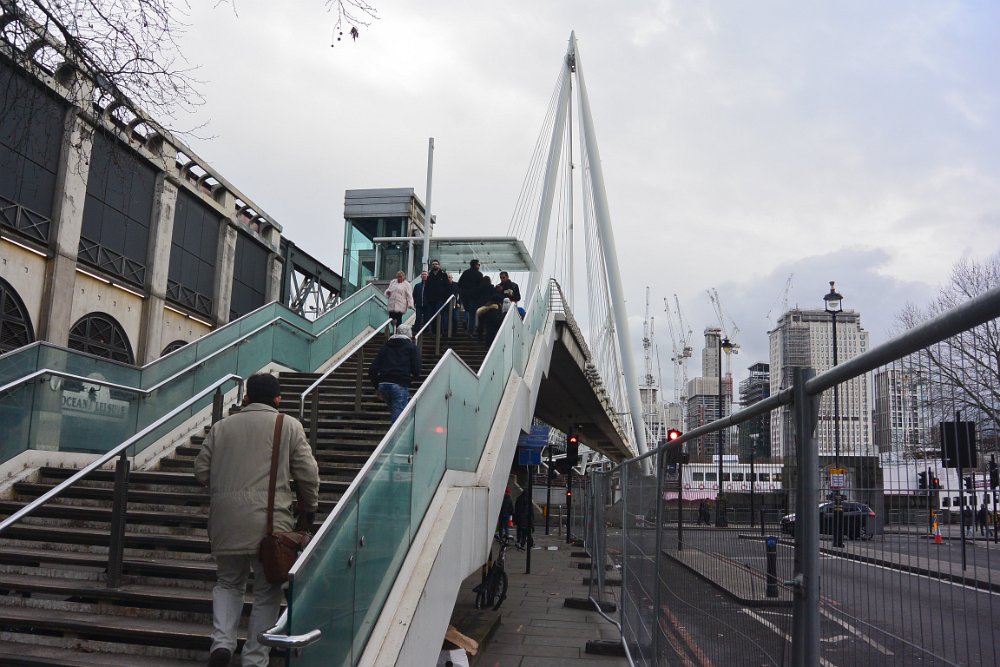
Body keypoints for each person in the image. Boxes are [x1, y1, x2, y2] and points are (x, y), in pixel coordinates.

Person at [194, 373, 320, 667]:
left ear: (246, 397)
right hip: (270, 526)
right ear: (278, 399)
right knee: (267, 591)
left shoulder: (221, 427)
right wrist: (310, 508)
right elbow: (308, 474)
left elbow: (201, 471)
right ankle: (254, 657)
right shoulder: (288, 425)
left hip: (225, 522)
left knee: (228, 583)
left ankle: (221, 644)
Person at [368, 324, 421, 423]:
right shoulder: (412, 348)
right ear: (409, 335)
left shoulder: (385, 347)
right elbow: (416, 370)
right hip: (399, 384)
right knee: (399, 419)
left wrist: (377, 386)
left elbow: (372, 369)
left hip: (383, 384)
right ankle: (396, 433)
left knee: (395, 411)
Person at [423, 259, 451, 335]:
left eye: (436, 264)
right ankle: (434, 331)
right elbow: (427, 288)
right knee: (432, 316)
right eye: (433, 264)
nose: (434, 265)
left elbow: (447, 287)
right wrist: (427, 298)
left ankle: (441, 331)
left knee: (439, 314)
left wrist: (445, 298)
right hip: (431, 300)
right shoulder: (429, 276)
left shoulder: (443, 275)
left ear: (439, 265)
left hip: (440, 299)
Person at [457, 259, 484, 336]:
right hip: (474, 297)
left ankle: (466, 319)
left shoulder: (465, 273)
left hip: (465, 296)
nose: (479, 266)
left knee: (467, 310)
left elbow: (459, 284)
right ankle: (470, 331)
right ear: (475, 265)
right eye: (478, 264)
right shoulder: (479, 274)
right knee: (472, 314)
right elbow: (481, 287)